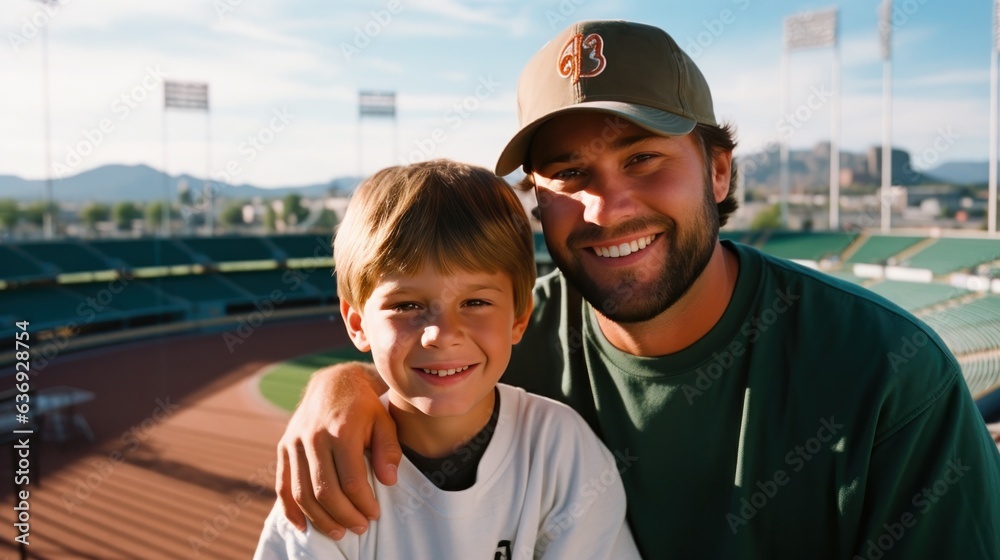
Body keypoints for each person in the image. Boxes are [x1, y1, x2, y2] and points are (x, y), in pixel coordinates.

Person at [275, 20, 1000, 559]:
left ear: (718, 171)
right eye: (568, 174)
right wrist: (343, 387)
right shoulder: (502, 341)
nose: (606, 206)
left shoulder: (890, 375)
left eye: (644, 158)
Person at [255, 160, 640, 559]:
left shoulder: (561, 450)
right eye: (406, 305)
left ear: (519, 317)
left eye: (475, 301)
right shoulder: (332, 477)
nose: (442, 334)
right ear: (357, 323)